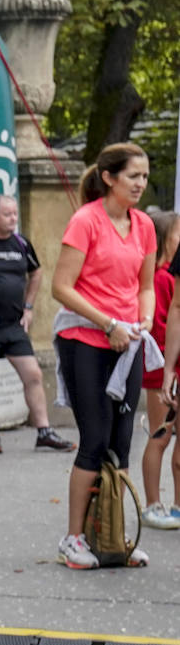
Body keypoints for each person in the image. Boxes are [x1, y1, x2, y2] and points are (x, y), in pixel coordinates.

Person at [50, 142, 156, 569]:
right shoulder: (85, 221)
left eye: (145, 177)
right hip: (86, 339)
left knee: (122, 443)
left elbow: (145, 285)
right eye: (134, 176)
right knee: (94, 441)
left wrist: (142, 319)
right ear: (109, 178)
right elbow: (61, 287)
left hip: (127, 342)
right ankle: (73, 538)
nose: (141, 184)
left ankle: (113, 535)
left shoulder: (145, 224)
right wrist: (108, 323)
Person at [0, 195, 76, 454]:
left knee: (33, 374)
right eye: (7, 214)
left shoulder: (22, 243)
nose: (13, 218)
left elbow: (36, 272)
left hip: (14, 324)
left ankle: (44, 431)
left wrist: (28, 307)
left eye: (15, 213)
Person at [141, 211, 180, 529]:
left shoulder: (170, 275)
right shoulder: (160, 278)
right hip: (161, 367)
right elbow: (161, 326)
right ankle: (153, 504)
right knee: (160, 435)